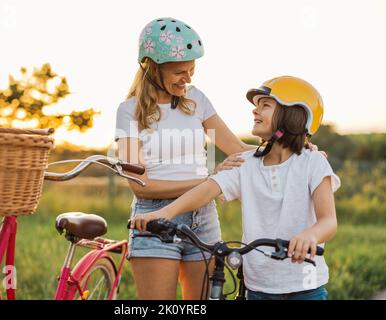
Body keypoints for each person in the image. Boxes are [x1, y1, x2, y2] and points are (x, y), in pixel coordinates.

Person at [129, 76, 340, 300]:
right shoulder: (246, 163)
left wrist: (311, 235)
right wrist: (164, 213)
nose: (255, 111)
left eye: (265, 105)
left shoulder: (312, 162)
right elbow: (206, 191)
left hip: (305, 285)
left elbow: (328, 221)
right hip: (258, 288)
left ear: (295, 116)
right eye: (256, 105)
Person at [114, 17, 256, 300]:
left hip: (202, 218)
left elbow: (237, 149)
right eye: (180, 71)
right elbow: (141, 185)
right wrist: (207, 182)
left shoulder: (197, 100)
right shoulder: (128, 111)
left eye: (192, 70)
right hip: (152, 217)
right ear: (152, 67)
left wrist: (294, 149)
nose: (188, 78)